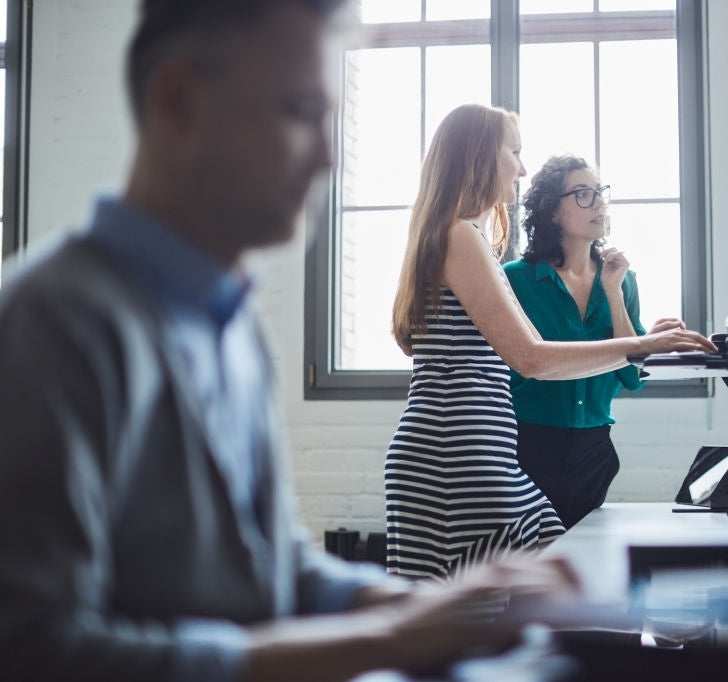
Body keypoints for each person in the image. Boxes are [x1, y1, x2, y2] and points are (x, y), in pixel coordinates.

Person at [0, 2, 580, 681]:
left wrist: (429, 608)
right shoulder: (56, 323)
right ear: (179, 102)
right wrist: (386, 641)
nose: (330, 157)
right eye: (301, 112)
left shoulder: (233, 327)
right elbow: (34, 649)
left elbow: (277, 568)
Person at [386, 105, 717, 580]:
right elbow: (532, 358)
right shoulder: (460, 236)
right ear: (480, 155)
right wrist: (643, 345)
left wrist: (638, 341)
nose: (522, 169)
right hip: (452, 459)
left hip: (478, 454)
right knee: (473, 625)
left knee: (551, 589)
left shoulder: (465, 237)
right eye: (514, 152)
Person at [504, 154, 694, 529]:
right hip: (529, 445)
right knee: (530, 567)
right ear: (552, 212)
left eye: (600, 192)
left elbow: (631, 377)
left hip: (594, 448)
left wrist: (613, 292)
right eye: (583, 194)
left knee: (581, 568)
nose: (599, 203)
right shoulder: (515, 280)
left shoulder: (622, 279)